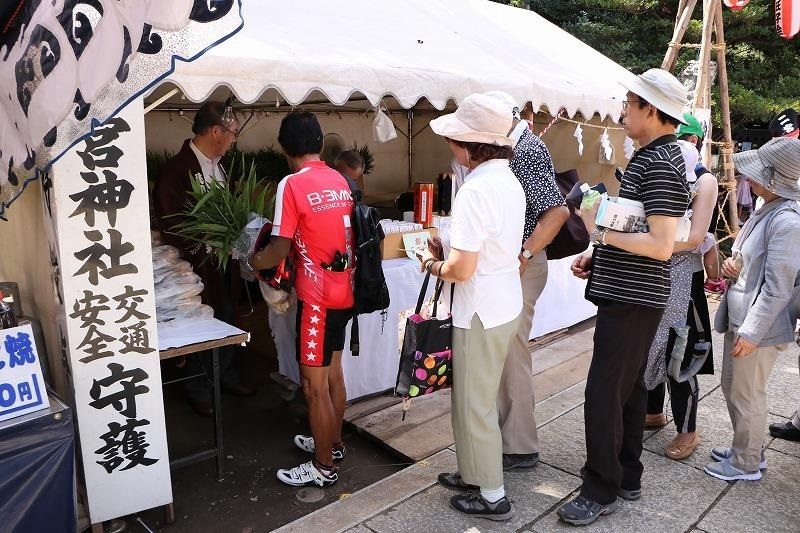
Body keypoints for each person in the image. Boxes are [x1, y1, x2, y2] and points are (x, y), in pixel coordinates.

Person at [559, 68, 690, 526]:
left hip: (635, 298)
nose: (622, 113)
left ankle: (601, 486)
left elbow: (659, 245)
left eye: (629, 105)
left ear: (650, 110)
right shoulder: (651, 156)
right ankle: (627, 474)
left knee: (602, 394)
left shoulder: (661, 163)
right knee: (630, 389)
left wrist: (605, 239)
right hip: (630, 292)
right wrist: (600, 254)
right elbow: (635, 227)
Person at [419, 92, 525, 521]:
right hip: (502, 302)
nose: (450, 146)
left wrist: (431, 261)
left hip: (478, 308)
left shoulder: (475, 190)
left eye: (455, 139)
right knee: (472, 397)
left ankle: (493, 494)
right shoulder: (509, 181)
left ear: (470, 146)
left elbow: (462, 269)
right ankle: (474, 473)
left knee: (473, 401)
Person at [247, 111, 355, 488]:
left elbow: (279, 248)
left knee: (314, 387)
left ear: (283, 149)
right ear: (322, 145)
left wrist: (252, 260)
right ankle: (333, 443)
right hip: (345, 293)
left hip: (317, 301)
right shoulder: (339, 180)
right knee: (334, 375)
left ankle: (323, 467)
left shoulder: (291, 185)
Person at [705, 137, 800, 480]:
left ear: (774, 180)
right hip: (744, 319)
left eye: (756, 174)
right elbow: (752, 261)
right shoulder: (768, 208)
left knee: (747, 393)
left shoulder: (787, 221)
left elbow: (778, 287)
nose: (748, 178)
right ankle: (748, 447)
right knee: (735, 388)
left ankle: (746, 462)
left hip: (758, 328)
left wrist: (751, 332)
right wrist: (734, 267)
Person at [485, 92, 569, 472]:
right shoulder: (514, 147)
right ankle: (512, 437)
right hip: (514, 265)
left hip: (522, 266)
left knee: (511, 354)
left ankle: (519, 445)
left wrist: (524, 254)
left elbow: (557, 212)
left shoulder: (527, 148)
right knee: (506, 354)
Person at [154, 100, 254, 417]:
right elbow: (171, 222)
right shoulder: (176, 170)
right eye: (232, 133)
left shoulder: (218, 166)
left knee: (226, 316)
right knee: (198, 324)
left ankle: (225, 374)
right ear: (215, 131)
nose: (233, 140)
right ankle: (197, 386)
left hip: (225, 262)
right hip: (194, 269)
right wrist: (203, 245)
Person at [643, 128, 718, 461]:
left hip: (683, 279)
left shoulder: (704, 182)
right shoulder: (654, 167)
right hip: (652, 273)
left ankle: (688, 430)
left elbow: (695, 235)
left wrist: (646, 243)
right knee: (648, 344)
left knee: (680, 353)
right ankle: (652, 410)